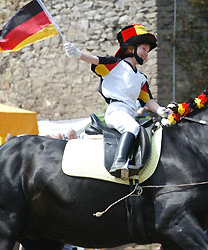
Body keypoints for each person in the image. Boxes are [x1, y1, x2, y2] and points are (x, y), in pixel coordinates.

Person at [65, 24, 170, 179]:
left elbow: (148, 100)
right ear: (130, 49)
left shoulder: (141, 78)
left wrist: (160, 110)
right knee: (133, 128)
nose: (146, 54)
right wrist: (78, 54)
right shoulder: (115, 65)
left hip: (129, 112)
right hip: (116, 111)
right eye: (143, 49)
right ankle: (119, 162)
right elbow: (96, 60)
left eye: (148, 51)